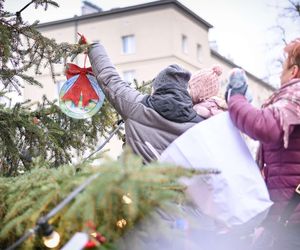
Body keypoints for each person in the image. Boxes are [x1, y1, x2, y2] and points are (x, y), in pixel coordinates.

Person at [225, 38, 300, 250]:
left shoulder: (296, 94)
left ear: (293, 71)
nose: (280, 75)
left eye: (283, 68)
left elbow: (264, 125)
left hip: (294, 221)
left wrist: (237, 97)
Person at [87, 41, 204, 163]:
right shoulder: (201, 124)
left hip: (137, 180)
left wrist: (94, 47)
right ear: (185, 91)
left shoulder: (136, 107)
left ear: (157, 88)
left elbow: (110, 79)